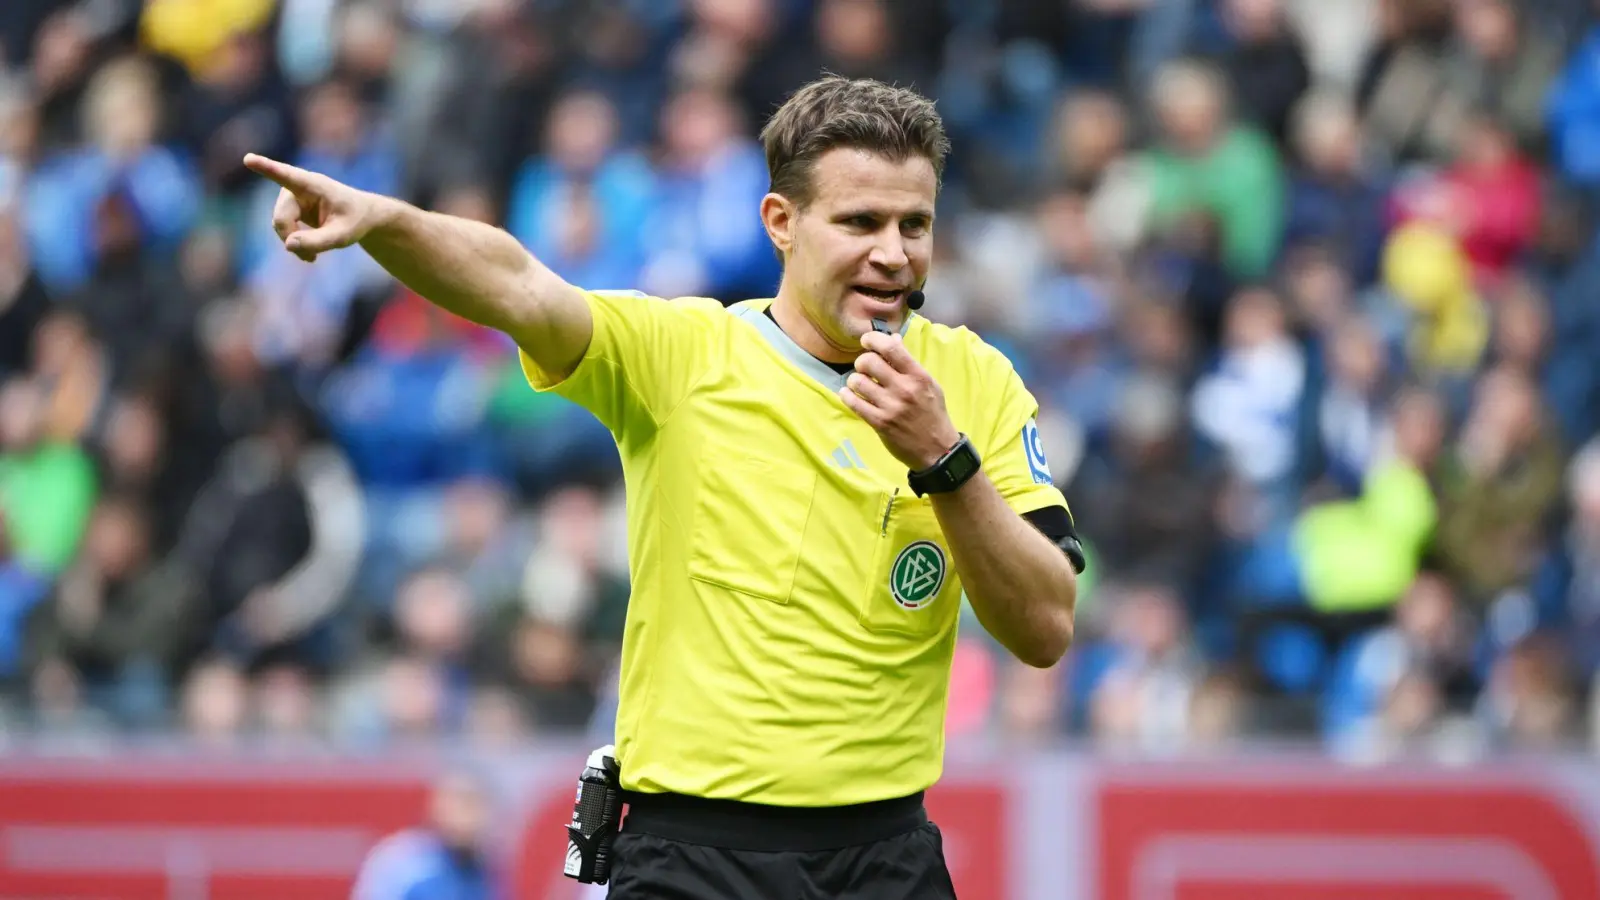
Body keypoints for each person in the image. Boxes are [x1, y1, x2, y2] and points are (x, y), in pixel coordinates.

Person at [245, 74, 1083, 900]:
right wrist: (382, 222)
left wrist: (944, 460)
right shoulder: (683, 356)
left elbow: (1044, 625)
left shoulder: (975, 383)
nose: (893, 253)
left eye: (915, 224)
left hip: (884, 857)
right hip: (693, 858)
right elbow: (516, 283)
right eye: (861, 222)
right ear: (781, 223)